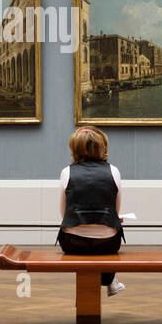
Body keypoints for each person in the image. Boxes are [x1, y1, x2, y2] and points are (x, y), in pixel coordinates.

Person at [58, 126, 126, 296]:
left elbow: (63, 214)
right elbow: (115, 212)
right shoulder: (114, 171)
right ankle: (109, 280)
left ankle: (98, 289)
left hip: (73, 243)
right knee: (110, 231)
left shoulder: (67, 172)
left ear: (75, 148)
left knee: (82, 237)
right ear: (102, 147)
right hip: (107, 243)